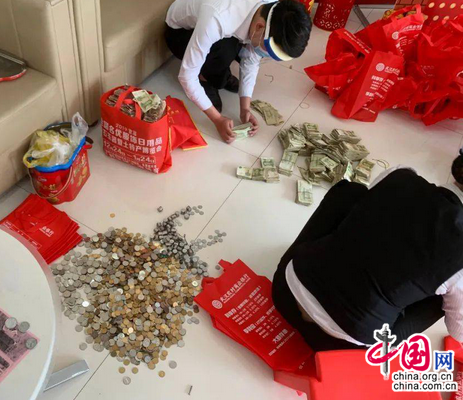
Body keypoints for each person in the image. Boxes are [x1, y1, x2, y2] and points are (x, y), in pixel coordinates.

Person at [272, 150, 463, 352]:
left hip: (284, 294)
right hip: (337, 346)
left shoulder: (400, 175)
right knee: (447, 292)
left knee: (351, 193)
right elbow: (458, 332)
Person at [165, 0, 312, 143]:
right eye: (268, 51)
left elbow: (251, 59)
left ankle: (221, 74)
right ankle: (205, 78)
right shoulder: (217, 19)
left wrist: (245, 108)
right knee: (225, 50)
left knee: (244, 46)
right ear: (259, 26)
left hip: (224, 27)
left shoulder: (271, 12)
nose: (265, 56)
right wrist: (217, 119)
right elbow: (187, 76)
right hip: (180, 32)